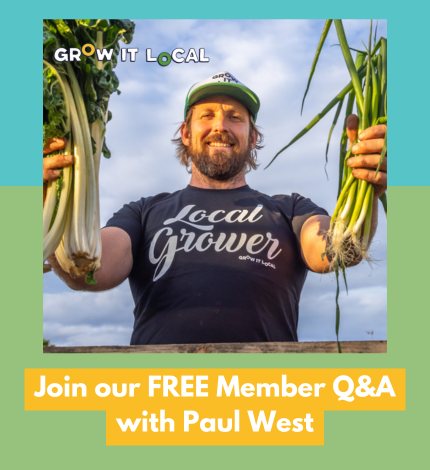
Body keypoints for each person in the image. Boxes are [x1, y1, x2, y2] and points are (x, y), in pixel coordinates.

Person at [44, 72, 387, 345]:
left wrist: (365, 181)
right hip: (159, 405)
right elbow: (89, 269)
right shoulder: (143, 213)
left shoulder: (291, 209)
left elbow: (335, 250)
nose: (220, 125)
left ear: (253, 137)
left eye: (235, 117)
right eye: (207, 115)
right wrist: (50, 192)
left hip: (266, 403)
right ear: (186, 133)